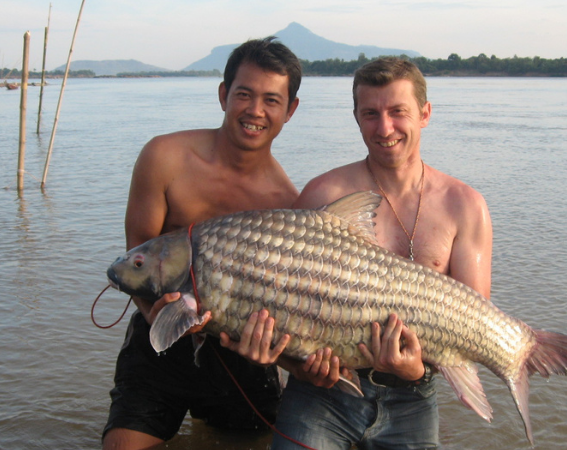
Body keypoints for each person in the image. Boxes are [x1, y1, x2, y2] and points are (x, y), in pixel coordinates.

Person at [224, 57, 493, 450]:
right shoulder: (323, 195)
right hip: (321, 395)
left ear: (425, 114)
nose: (385, 129)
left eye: (397, 112)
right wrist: (294, 363)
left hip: (413, 396)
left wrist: (416, 370)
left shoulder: (464, 206)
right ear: (355, 117)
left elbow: (472, 322)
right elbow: (280, 304)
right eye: (370, 114)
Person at [101, 36, 302, 450]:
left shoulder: (286, 205)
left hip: (239, 354)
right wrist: (157, 315)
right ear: (223, 95)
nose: (255, 111)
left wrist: (273, 353)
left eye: (271, 99)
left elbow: (288, 308)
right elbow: (137, 257)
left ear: (290, 110)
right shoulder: (164, 157)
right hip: (157, 338)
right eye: (244, 94)